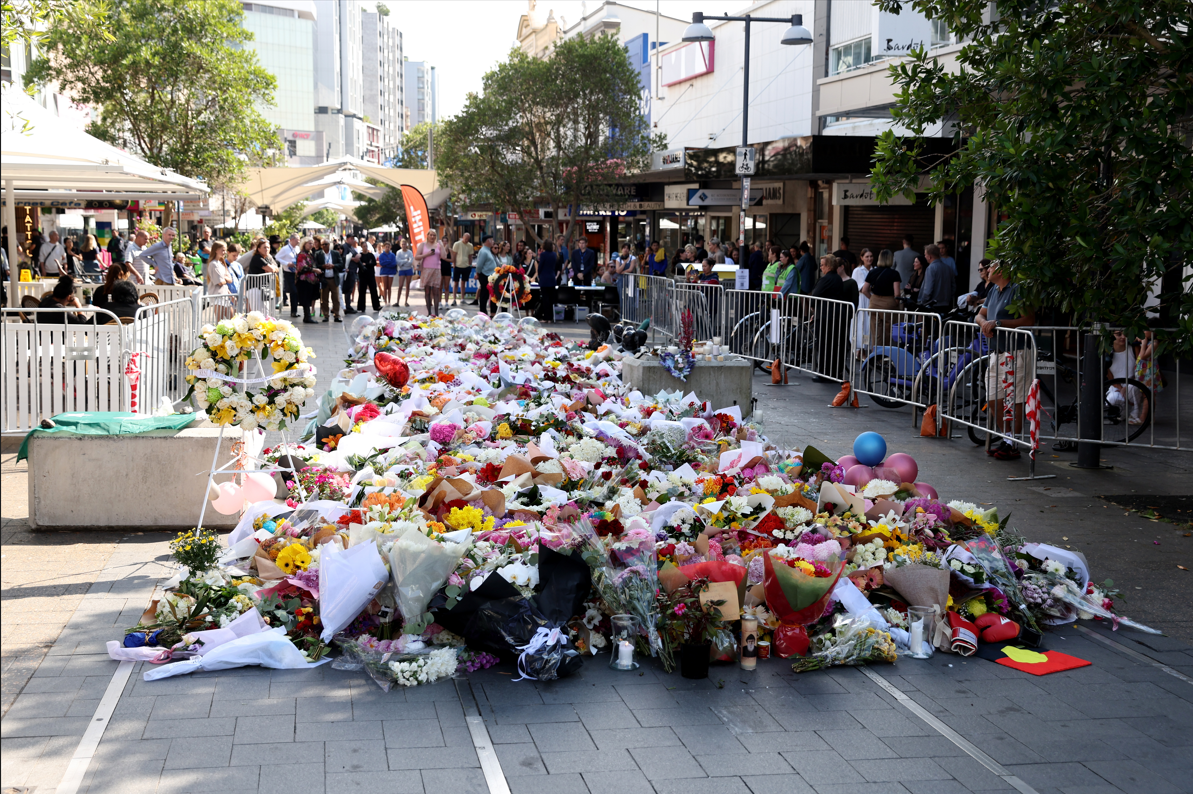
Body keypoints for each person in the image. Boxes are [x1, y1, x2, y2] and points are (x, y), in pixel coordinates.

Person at [976, 260, 1036, 461]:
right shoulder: (993, 290)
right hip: (997, 352)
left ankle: (1013, 443)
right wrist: (985, 324)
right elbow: (979, 315)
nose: (987, 270)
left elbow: (1028, 320)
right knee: (993, 397)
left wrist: (999, 323)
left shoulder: (1018, 290)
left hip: (1017, 351)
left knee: (1016, 399)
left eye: (991, 267)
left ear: (1002, 271)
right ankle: (1006, 437)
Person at [810, 255, 847, 381]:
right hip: (836, 316)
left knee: (824, 345)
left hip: (826, 316)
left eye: (822, 265)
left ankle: (824, 373)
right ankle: (835, 373)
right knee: (834, 345)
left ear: (829, 266)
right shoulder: (837, 278)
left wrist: (813, 307)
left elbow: (815, 294)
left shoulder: (826, 279)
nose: (820, 267)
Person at [862, 249, 902, 346]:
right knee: (888, 332)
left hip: (874, 304)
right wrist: (896, 303)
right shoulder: (894, 273)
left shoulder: (872, 272)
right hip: (889, 304)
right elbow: (897, 293)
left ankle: (877, 353)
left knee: (876, 333)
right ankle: (887, 353)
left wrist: (872, 298)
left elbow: (864, 290)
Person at [918, 242, 956, 315]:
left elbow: (927, 290)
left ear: (929, 257)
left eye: (925, 255)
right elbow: (953, 287)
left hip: (932, 306)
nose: (924, 257)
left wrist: (923, 303)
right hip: (946, 304)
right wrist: (948, 299)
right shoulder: (948, 268)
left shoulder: (931, 268)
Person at [414, 229, 445, 316]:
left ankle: (436, 313)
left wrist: (442, 245)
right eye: (430, 235)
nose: (432, 236)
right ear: (427, 235)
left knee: (436, 291)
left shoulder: (438, 245)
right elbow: (416, 257)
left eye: (434, 235)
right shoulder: (423, 245)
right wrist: (427, 254)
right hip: (426, 269)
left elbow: (444, 256)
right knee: (427, 291)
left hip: (436, 270)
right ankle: (429, 313)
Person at [852, 248, 874, 350]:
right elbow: (861, 289)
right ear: (861, 258)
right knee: (862, 324)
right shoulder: (857, 270)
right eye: (867, 256)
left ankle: (870, 348)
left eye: (871, 256)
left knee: (870, 325)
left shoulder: (875, 269)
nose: (869, 259)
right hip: (862, 300)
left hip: (872, 300)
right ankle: (861, 349)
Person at [317, 237, 343, 322]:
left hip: (333, 279)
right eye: (323, 244)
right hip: (324, 279)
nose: (324, 246)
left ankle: (337, 315)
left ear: (329, 244)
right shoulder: (318, 254)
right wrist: (323, 266)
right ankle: (326, 315)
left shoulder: (335, 253)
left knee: (336, 299)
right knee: (324, 299)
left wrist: (333, 266)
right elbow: (315, 265)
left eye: (326, 244)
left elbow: (341, 264)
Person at [295, 238, 321, 323]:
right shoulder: (302, 254)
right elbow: (301, 267)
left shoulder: (310, 254)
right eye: (309, 243)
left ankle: (307, 316)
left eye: (312, 243)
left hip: (312, 280)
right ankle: (307, 317)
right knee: (305, 299)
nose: (311, 245)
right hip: (304, 280)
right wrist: (314, 269)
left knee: (309, 298)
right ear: (304, 244)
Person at [474, 234, 499, 317]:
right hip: (485, 275)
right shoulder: (483, 251)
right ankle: (483, 313)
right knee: (484, 295)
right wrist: (478, 273)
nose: (493, 241)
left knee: (493, 295)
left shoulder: (488, 250)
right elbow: (479, 265)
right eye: (492, 240)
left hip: (491, 276)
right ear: (488, 241)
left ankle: (493, 313)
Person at [276, 234, 300, 318]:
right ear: (292, 239)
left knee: (296, 292)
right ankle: (293, 311)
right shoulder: (285, 249)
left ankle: (294, 311)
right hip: (288, 272)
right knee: (293, 291)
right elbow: (277, 257)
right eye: (297, 239)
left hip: (296, 272)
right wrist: (286, 263)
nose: (298, 241)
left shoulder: (297, 248)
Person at [536, 240, 559, 323]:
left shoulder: (543, 254)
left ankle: (546, 317)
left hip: (544, 278)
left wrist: (539, 274)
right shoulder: (554, 254)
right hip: (552, 277)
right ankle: (551, 317)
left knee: (545, 299)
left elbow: (540, 266)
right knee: (551, 298)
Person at [448, 232, 473, 307]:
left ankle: (462, 298)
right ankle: (454, 299)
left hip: (466, 266)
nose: (466, 240)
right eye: (465, 239)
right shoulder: (457, 244)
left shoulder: (470, 245)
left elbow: (470, 256)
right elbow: (454, 255)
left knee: (463, 282)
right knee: (456, 283)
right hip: (458, 266)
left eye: (468, 239)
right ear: (463, 237)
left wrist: (470, 264)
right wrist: (454, 264)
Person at [356, 242, 381, 313]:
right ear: (362, 247)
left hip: (371, 275)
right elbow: (360, 264)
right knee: (362, 291)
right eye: (364, 246)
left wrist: (366, 264)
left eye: (366, 246)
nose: (365, 247)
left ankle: (376, 306)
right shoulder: (360, 255)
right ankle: (361, 307)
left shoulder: (371, 255)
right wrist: (368, 264)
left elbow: (374, 263)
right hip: (363, 275)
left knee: (373, 290)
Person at [341, 235, 361, 315]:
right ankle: (347, 306)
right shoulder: (345, 247)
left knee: (350, 289)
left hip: (353, 270)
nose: (352, 240)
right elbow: (343, 257)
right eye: (351, 239)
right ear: (347, 239)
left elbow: (356, 254)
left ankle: (348, 305)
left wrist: (359, 255)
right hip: (348, 270)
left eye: (353, 239)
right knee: (348, 289)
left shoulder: (351, 247)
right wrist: (353, 259)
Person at [394, 239, 415, 307]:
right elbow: (398, 262)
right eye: (402, 244)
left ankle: (406, 301)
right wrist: (406, 260)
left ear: (406, 245)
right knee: (400, 286)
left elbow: (411, 262)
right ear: (400, 245)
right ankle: (397, 301)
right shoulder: (398, 252)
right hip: (401, 270)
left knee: (407, 286)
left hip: (409, 269)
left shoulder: (410, 252)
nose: (403, 245)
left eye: (404, 244)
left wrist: (402, 262)